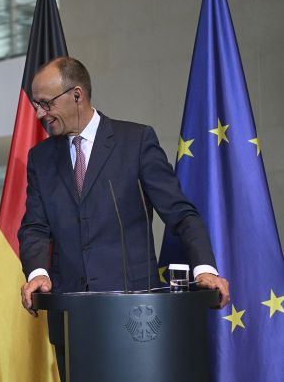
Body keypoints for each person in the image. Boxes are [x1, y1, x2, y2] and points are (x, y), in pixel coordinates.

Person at [18, 57, 230, 380]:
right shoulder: (40, 158)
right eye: (37, 104)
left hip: (135, 320)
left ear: (77, 95)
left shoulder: (136, 141)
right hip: (72, 321)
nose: (39, 114)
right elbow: (34, 226)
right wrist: (37, 273)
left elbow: (181, 213)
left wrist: (205, 268)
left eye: (46, 103)